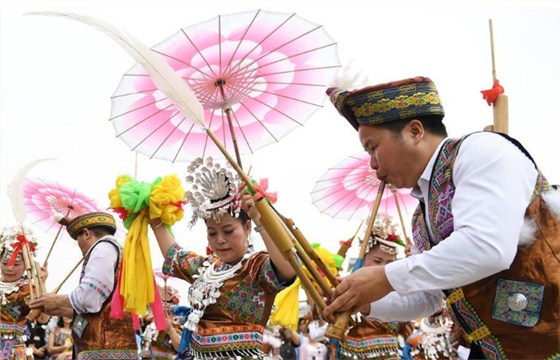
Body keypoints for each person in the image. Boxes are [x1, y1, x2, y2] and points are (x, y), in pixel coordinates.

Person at [322, 76, 560, 359]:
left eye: (373, 147)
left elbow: (488, 247)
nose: (373, 164)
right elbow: (428, 296)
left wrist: (386, 276)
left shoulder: (481, 151)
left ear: (414, 131)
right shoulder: (422, 216)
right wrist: (362, 300)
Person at [149, 157, 296, 359]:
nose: (220, 240)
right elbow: (174, 256)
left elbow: (288, 267)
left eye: (228, 231)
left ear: (246, 227)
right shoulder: (206, 268)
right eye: (212, 233)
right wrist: (154, 217)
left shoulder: (256, 266)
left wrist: (259, 216)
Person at [29, 211, 138, 359]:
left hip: (102, 350)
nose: (78, 245)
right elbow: (97, 310)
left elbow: (89, 297)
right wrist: (54, 304)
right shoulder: (118, 252)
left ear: (87, 233)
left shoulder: (103, 247)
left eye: (77, 239)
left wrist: (56, 300)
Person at [1, 225, 49, 360]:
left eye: (16, 265)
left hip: (13, 351)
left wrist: (42, 283)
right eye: (5, 263)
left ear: (27, 265)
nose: (9, 268)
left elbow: (43, 319)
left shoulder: (27, 289)